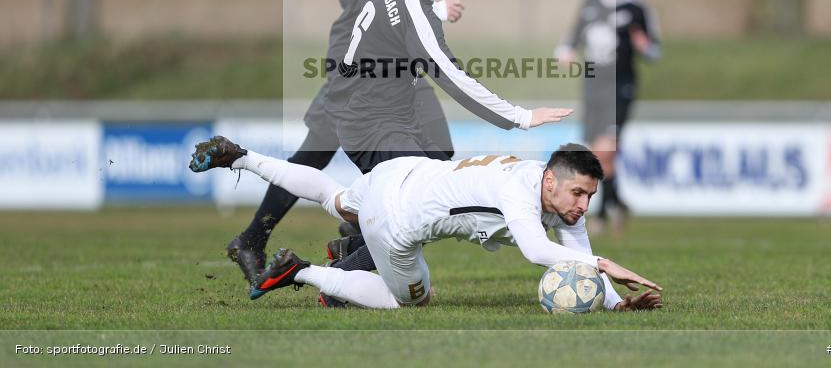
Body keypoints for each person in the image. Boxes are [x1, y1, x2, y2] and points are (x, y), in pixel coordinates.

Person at [223, 0, 572, 299]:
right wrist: (522, 117)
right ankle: (333, 277)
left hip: (370, 112)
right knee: (424, 207)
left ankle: (348, 251)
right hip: (373, 122)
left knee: (430, 187)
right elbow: (453, 78)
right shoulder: (417, 15)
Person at [225, 0, 463, 283]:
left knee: (426, 150)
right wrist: (430, 7)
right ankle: (347, 238)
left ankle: (327, 237)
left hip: (383, 56)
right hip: (364, 57)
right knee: (412, 153)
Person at [189, 135, 664, 311]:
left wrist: (616, 303)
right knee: (409, 302)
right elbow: (540, 253)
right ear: (550, 181)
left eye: (589, 197)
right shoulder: (518, 193)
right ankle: (299, 271)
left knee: (331, 195)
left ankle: (243, 158)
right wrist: (606, 262)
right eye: (577, 193)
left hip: (399, 172)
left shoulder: (549, 192)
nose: (582, 205)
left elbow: (575, 252)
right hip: (396, 219)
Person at [556, 0, 661, 235]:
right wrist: (565, 51)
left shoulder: (637, 6)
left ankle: (602, 213)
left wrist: (644, 46)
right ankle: (618, 203)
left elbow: (654, 50)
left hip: (620, 86)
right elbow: (573, 34)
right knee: (598, 151)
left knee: (605, 150)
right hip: (592, 86)